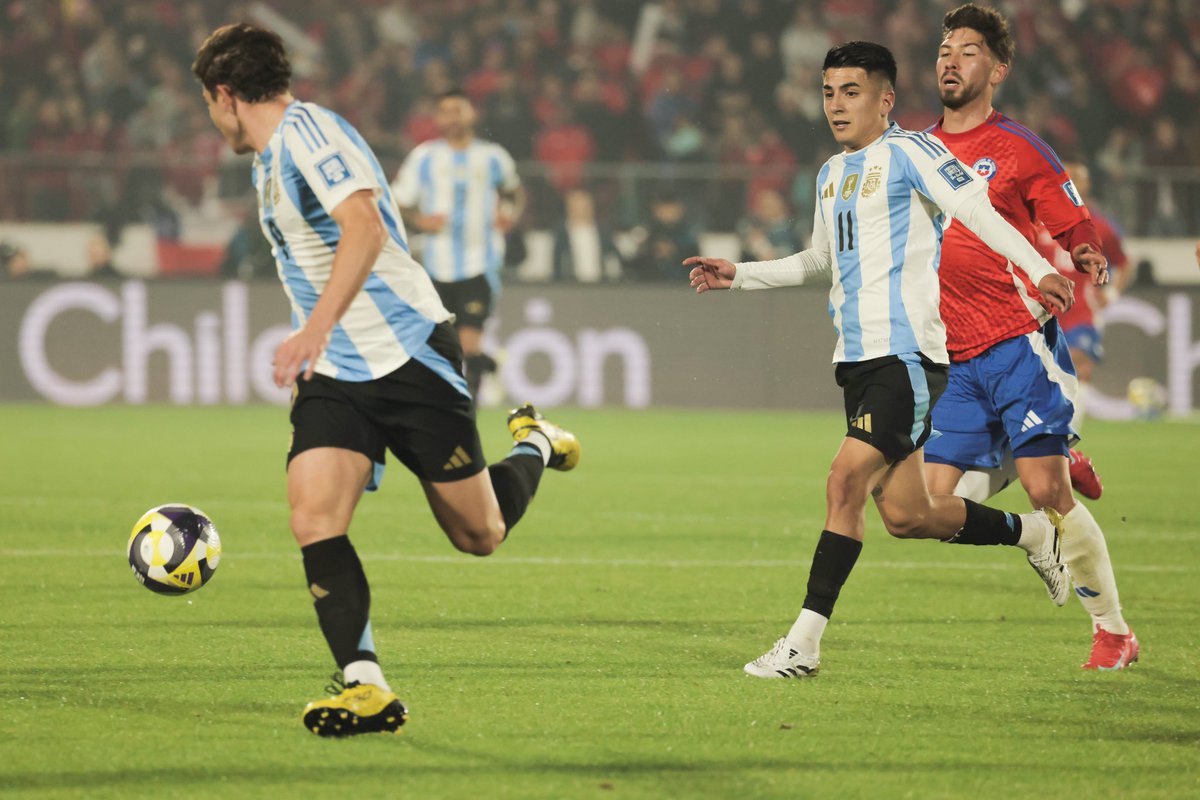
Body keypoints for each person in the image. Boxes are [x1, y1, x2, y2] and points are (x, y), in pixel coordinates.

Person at [192, 24, 579, 737]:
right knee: (313, 518)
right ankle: (366, 686)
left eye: (209, 107)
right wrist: (319, 343)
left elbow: (364, 228)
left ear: (224, 94)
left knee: (479, 534)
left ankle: (537, 446)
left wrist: (312, 329)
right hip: (337, 372)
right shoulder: (271, 157)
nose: (213, 122)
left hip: (407, 354)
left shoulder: (311, 135)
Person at [686, 41, 1074, 680]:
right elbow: (818, 262)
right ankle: (1034, 534)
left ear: (885, 98)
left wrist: (1038, 267)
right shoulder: (830, 173)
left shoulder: (912, 153)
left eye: (852, 91)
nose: (836, 104)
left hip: (907, 358)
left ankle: (802, 646)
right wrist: (739, 274)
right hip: (857, 360)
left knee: (844, 483)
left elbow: (976, 209)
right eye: (829, 92)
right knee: (908, 515)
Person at [923, 4, 1136, 670]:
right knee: (934, 508)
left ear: (997, 67)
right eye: (943, 50)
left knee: (1048, 487)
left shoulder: (1017, 147)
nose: (950, 61)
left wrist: (1085, 251)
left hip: (1019, 343)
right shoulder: (916, 151)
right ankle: (1036, 518)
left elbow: (1069, 217)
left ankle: (1112, 630)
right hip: (955, 360)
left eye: (967, 51)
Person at [391, 89, 526, 399]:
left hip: (481, 263)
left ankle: (470, 411)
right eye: (446, 111)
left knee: (468, 345)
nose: (453, 117)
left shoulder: (493, 156)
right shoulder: (424, 157)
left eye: (459, 110)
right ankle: (486, 365)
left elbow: (515, 192)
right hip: (437, 265)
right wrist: (421, 221)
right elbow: (398, 201)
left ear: (472, 114)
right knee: (444, 349)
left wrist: (510, 215)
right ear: (437, 118)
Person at [1033, 160, 1131, 482]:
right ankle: (1051, 441)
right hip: (1044, 314)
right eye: (1070, 177)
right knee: (1050, 378)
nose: (1075, 183)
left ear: (1086, 187)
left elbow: (1124, 262)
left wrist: (1112, 293)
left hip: (1081, 313)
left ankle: (1068, 443)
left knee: (1080, 366)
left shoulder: (1098, 225)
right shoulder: (1037, 221)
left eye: (1080, 179)